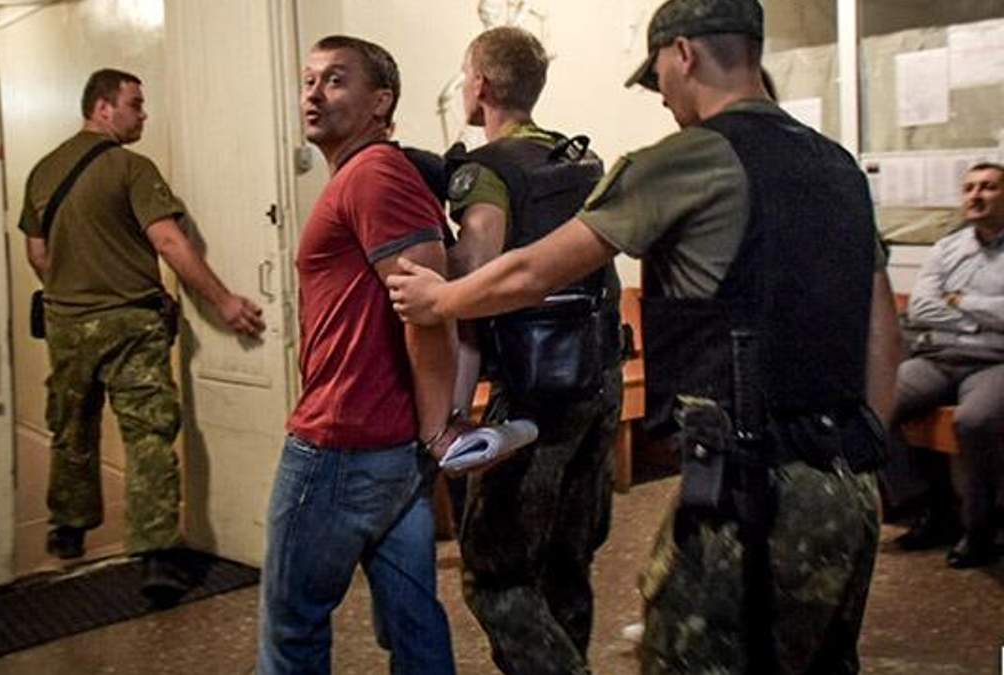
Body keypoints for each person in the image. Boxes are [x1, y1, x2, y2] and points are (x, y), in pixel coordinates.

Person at [387, 0, 903, 672]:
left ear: (682, 54)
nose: (661, 96)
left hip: (752, 493)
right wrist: (862, 459)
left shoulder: (686, 157)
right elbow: (882, 329)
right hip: (849, 485)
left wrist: (439, 299)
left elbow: (534, 270)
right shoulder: (836, 165)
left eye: (657, 75)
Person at [19, 68, 265, 607]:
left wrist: (75, 288)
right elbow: (170, 243)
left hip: (66, 323)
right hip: (131, 323)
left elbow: (38, 254)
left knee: (71, 424)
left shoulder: (43, 170)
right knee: (148, 433)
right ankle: (156, 555)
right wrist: (223, 301)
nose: (143, 115)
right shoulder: (132, 168)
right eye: (135, 104)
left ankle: (69, 528)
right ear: (103, 108)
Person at [256, 36, 457, 675]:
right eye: (309, 80)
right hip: (387, 444)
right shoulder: (363, 176)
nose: (314, 94)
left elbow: (428, 308)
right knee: (414, 625)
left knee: (292, 630)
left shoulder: (374, 175)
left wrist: (436, 429)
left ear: (381, 102)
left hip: (341, 443)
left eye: (336, 80)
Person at [442, 26, 623, 674]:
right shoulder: (580, 158)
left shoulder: (488, 171)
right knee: (567, 562)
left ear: (482, 85)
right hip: (601, 376)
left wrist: (451, 411)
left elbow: (470, 285)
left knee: (496, 575)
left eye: (466, 76)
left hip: (534, 393)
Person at [882, 162, 1004, 568]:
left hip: (994, 363)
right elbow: (921, 307)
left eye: (988, 187)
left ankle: (980, 529)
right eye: (969, 188)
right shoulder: (947, 248)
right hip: (938, 357)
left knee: (975, 421)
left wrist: (961, 301)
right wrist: (979, 319)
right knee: (876, 400)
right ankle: (929, 507)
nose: (976, 196)